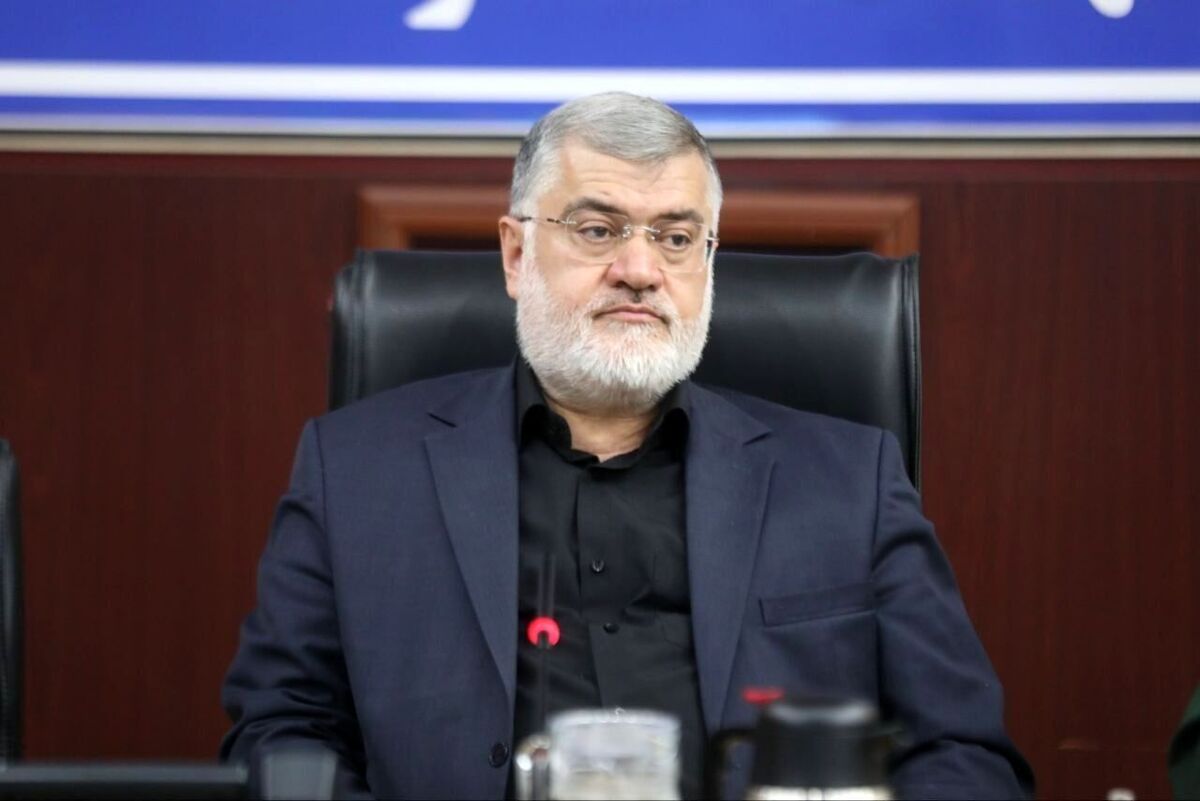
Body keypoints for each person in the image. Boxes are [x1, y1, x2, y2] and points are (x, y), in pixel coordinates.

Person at [221, 92, 1033, 799]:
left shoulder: (850, 482)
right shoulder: (356, 471)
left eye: (676, 238)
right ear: (516, 253)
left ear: (708, 261)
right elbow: (281, 736)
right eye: (598, 228)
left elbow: (962, 752)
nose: (640, 268)